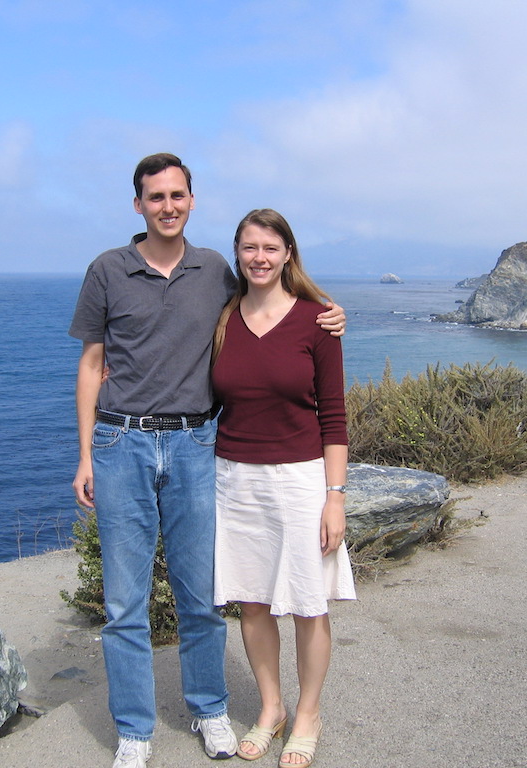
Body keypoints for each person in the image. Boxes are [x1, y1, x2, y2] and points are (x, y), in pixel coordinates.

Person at [69, 155, 345, 768]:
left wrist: (329, 310)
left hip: (196, 445)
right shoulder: (107, 269)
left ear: (193, 200)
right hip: (121, 443)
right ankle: (135, 730)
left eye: (177, 195)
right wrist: (85, 454)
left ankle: (210, 708)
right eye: (155, 196)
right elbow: (91, 364)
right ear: (138, 205)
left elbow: (271, 301)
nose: (167, 206)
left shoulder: (215, 270)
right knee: (124, 602)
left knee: (202, 594)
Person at [211, 209, 356, 768]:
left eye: (270, 248)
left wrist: (335, 496)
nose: (260, 258)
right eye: (250, 247)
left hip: (300, 480)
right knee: (252, 603)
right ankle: (271, 708)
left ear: (288, 253)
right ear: (237, 252)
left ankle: (308, 715)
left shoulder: (318, 321)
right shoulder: (223, 318)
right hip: (234, 478)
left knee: (308, 606)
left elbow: (334, 416)